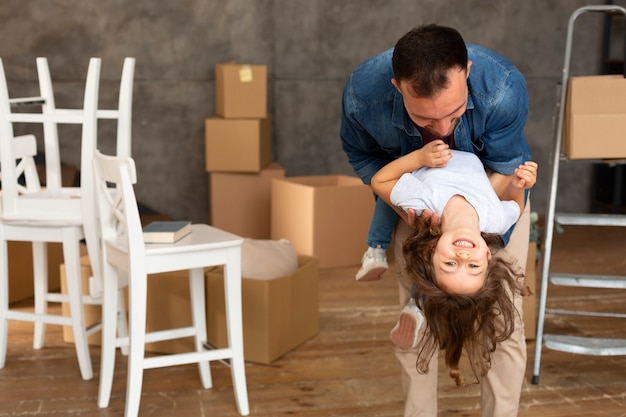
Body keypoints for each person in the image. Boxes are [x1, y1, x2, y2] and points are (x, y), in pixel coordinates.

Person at [340, 24, 532, 417]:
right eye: (424, 119)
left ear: (467, 70)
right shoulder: (363, 97)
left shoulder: (501, 87)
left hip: (493, 204)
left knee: (502, 323)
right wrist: (414, 218)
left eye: (455, 114)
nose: (442, 132)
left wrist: (474, 228)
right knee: (417, 321)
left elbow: (508, 176)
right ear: (398, 87)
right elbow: (366, 163)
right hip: (415, 207)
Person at [371, 146, 537, 385]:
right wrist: (520, 185)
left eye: (450, 263)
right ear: (488, 257)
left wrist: (418, 158)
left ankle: (374, 246)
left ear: (431, 252)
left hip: (428, 143)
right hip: (477, 147)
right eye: (473, 267)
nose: (462, 256)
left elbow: (381, 180)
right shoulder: (496, 220)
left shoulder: (421, 202)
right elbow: (516, 206)